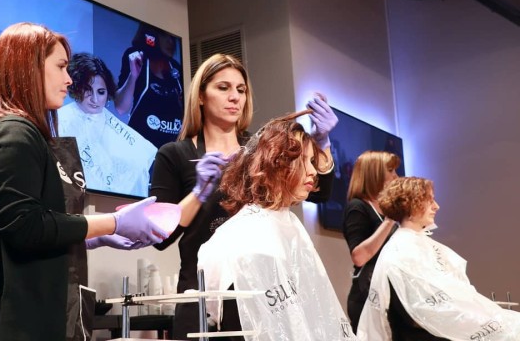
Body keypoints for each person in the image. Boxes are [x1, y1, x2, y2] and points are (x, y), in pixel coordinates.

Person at [0, 22, 169, 341]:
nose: (69, 80)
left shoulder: (26, 135)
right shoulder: (13, 134)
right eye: (60, 67)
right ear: (28, 67)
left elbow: (32, 229)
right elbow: (25, 227)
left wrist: (93, 237)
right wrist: (114, 222)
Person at [149, 53, 338, 340]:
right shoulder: (175, 155)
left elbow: (318, 193)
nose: (235, 97)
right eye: (223, 88)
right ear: (200, 96)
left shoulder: (260, 150)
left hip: (261, 293)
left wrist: (322, 141)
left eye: (241, 90)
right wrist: (198, 192)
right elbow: (160, 237)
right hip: (202, 291)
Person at [198, 112, 357, 340]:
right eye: (303, 160)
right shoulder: (240, 237)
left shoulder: (288, 225)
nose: (313, 171)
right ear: (275, 163)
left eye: (312, 162)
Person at [357, 177, 520, 340]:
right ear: (410, 204)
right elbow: (424, 310)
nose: (436, 206)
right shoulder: (402, 251)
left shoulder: (413, 244)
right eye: (429, 201)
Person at [57, 52, 157, 197]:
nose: (95, 99)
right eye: (87, 90)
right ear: (76, 88)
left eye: (101, 92)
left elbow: (141, 166)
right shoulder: (63, 120)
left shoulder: (116, 128)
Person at [342, 150, 401, 332]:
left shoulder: (386, 210)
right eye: (390, 171)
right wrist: (389, 221)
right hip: (367, 298)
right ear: (374, 173)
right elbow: (359, 256)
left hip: (389, 295)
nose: (396, 176)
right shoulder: (357, 207)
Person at [114, 23, 183, 148]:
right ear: (151, 34)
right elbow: (121, 108)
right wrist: (133, 76)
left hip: (171, 151)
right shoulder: (136, 57)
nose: (170, 42)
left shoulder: (176, 67)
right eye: (164, 35)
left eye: (172, 38)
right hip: (139, 149)